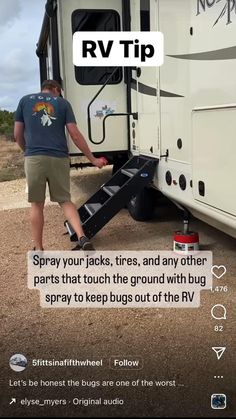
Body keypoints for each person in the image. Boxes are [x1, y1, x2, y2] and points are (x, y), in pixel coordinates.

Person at [14, 79, 106, 251]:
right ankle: (82, 236)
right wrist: (93, 160)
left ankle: (39, 248)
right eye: (60, 92)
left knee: (37, 203)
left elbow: (17, 134)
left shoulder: (24, 101)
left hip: (34, 158)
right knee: (65, 201)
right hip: (59, 158)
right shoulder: (63, 103)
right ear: (56, 89)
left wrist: (28, 151)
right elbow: (75, 135)